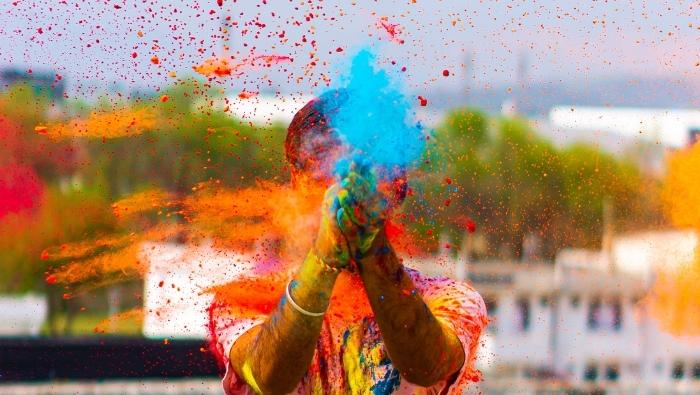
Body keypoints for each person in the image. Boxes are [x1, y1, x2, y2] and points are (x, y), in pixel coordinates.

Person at [209, 91, 488, 394]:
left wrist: (370, 242)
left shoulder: (449, 299)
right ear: (295, 183)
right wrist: (325, 256)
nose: (338, 194)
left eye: (369, 177)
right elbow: (268, 376)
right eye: (321, 176)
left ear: (399, 188)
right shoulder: (246, 301)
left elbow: (426, 365)